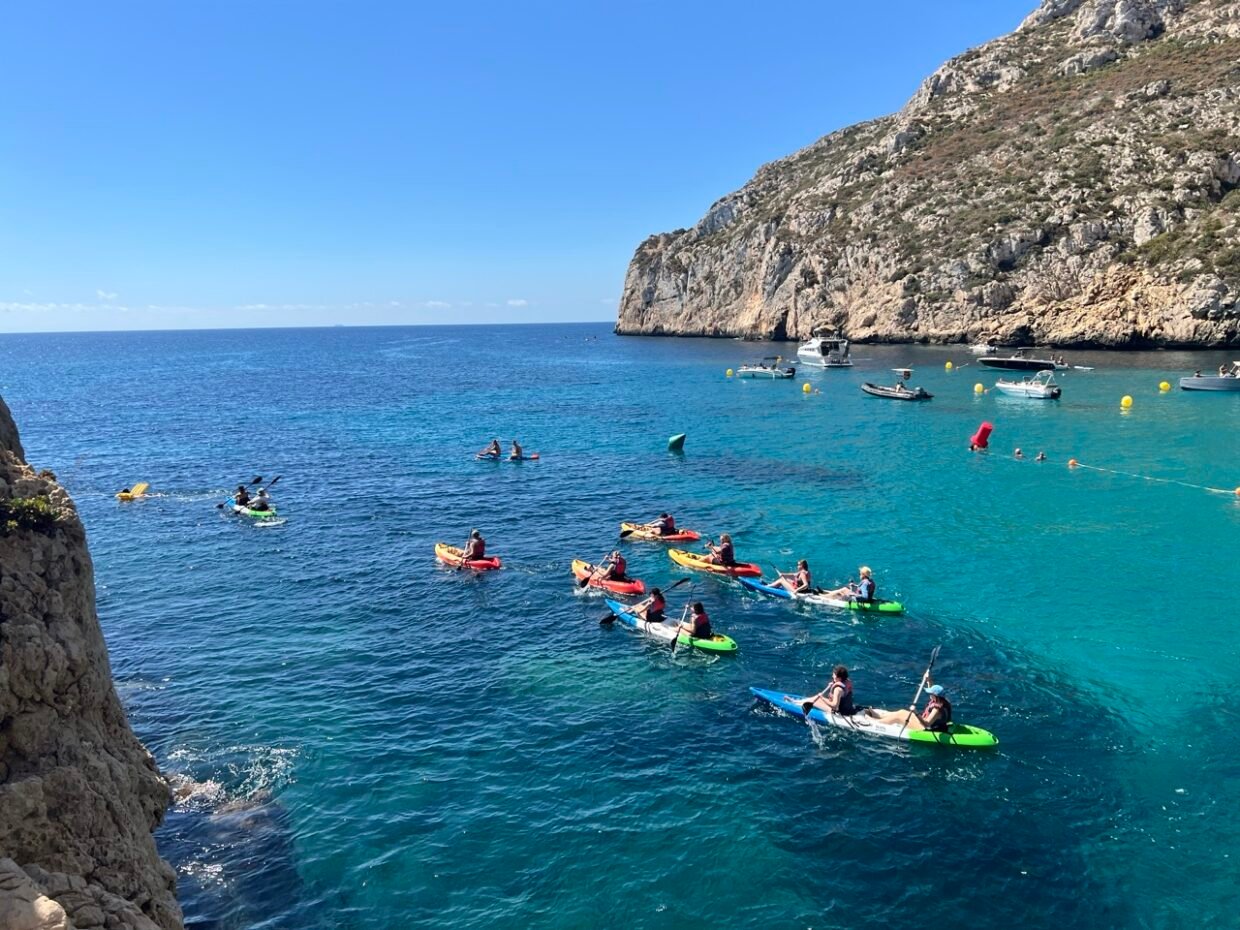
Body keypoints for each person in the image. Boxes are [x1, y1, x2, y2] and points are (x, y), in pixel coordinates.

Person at [867, 675, 952, 732]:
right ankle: (879, 717)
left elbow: (927, 724)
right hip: (930, 725)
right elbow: (932, 688)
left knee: (898, 717)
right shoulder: (943, 701)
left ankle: (876, 722)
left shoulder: (936, 710)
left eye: (931, 694)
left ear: (935, 696)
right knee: (902, 712)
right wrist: (928, 679)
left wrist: (916, 712)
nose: (929, 694)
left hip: (924, 728)